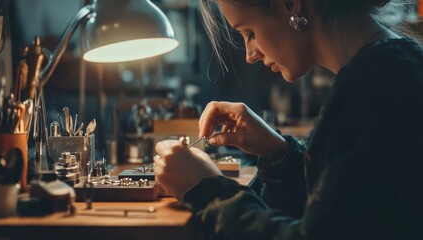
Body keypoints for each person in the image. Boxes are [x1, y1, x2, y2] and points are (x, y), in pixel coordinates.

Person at [154, 0, 423, 239]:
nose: (250, 55)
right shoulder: (390, 68)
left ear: (291, 5)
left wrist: (206, 190)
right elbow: (346, 210)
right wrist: (277, 152)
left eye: (249, 32)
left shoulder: (373, 90)